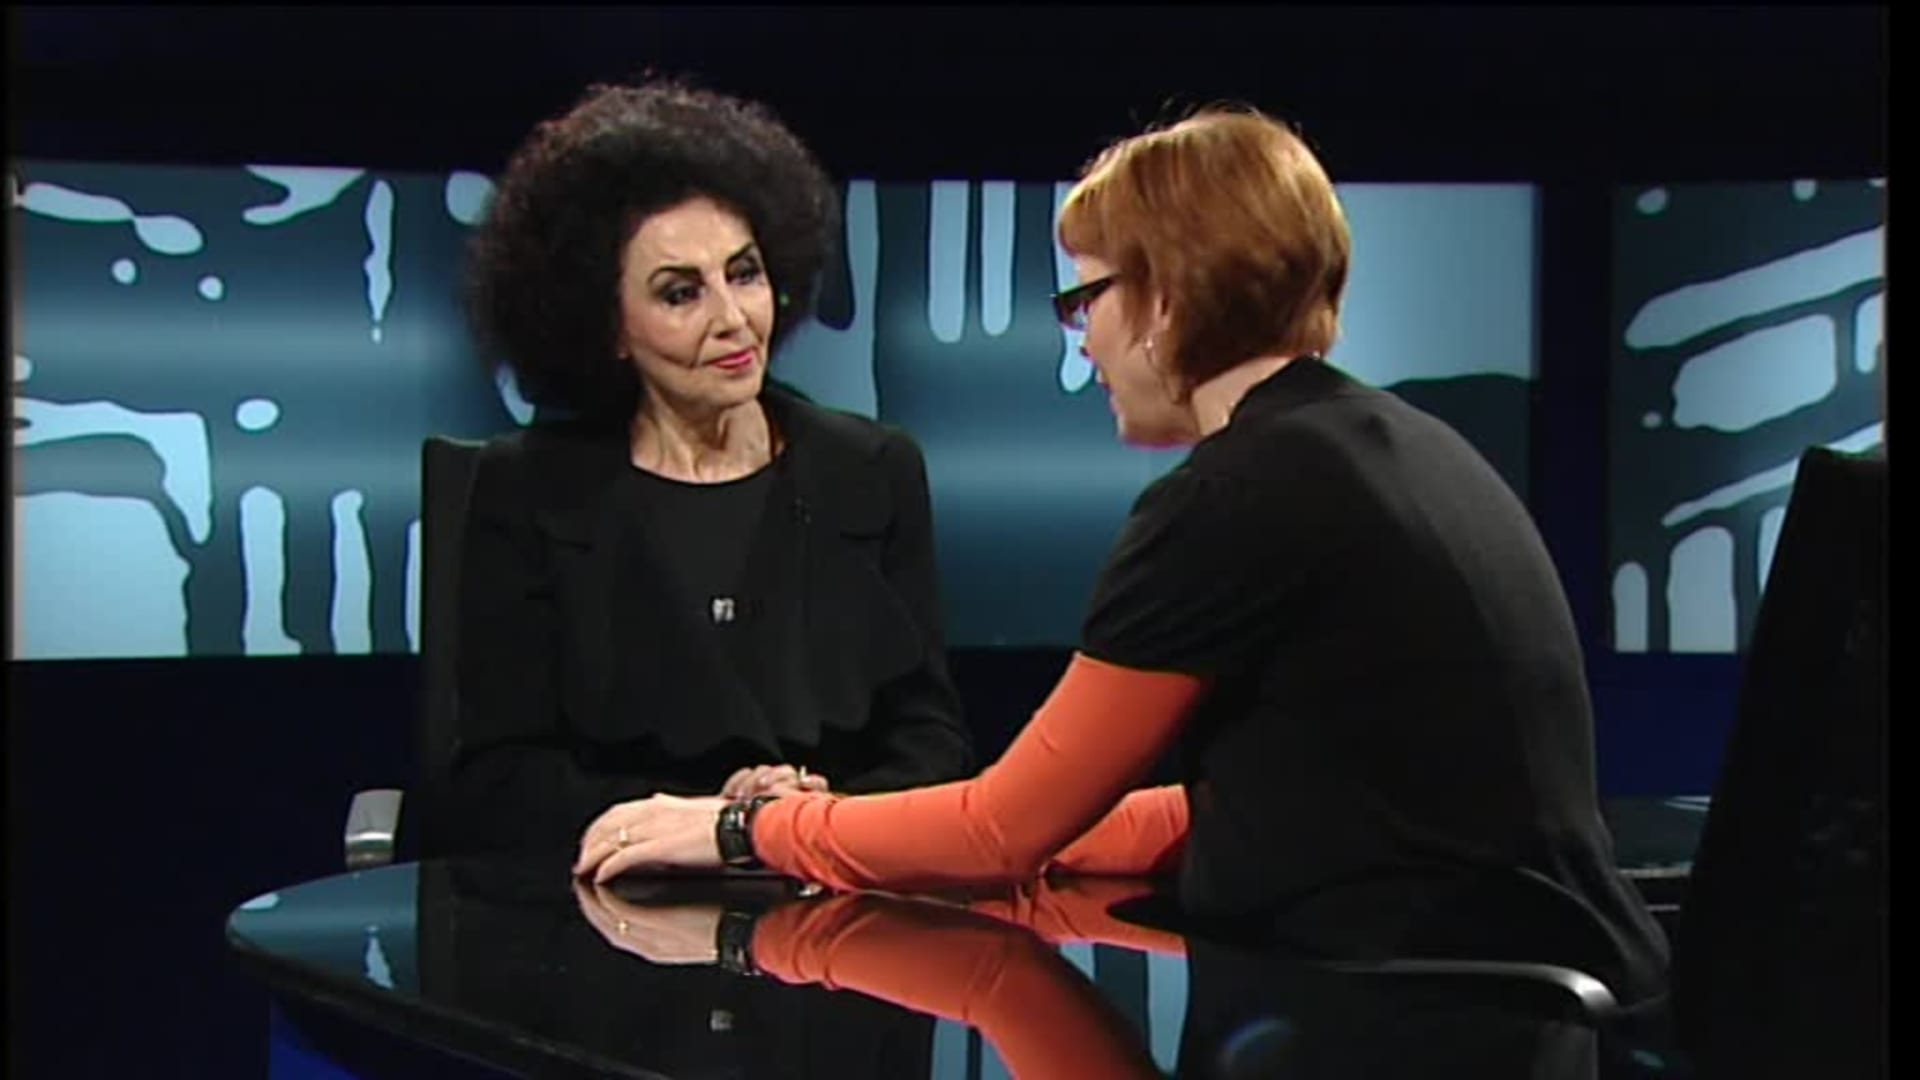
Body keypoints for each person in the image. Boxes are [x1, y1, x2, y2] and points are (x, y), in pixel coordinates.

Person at [574, 105, 1670, 1005]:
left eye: (1086, 295)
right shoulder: (1383, 444)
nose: (1084, 338)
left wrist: (739, 828)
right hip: (1531, 997)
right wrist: (934, 833)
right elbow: (1262, 803)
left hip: (1423, 1024)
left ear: (1166, 296)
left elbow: (1000, 829)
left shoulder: (1238, 495)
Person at [447, 79, 974, 856]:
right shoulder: (529, 490)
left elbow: (931, 742)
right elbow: (501, 781)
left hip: (832, 886)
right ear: (608, 326)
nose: (732, 318)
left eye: (745, 273)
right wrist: (714, 825)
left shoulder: (873, 471)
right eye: (680, 293)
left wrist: (812, 820)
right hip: (615, 898)